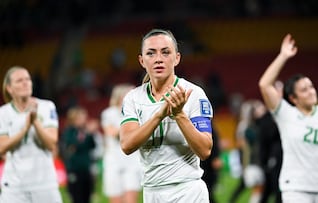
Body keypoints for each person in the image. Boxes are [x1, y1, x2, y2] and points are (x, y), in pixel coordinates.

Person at [119, 28, 213, 203]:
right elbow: (127, 145)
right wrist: (158, 115)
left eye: (165, 52)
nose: (158, 59)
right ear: (141, 60)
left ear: (177, 58)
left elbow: (205, 150)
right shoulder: (133, 98)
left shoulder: (194, 93)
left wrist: (179, 115)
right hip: (152, 192)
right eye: (151, 53)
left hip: (187, 190)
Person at [258, 34, 318, 203]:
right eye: (304, 90)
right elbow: (265, 84)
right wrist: (283, 56)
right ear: (294, 98)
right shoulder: (285, 113)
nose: (311, 91)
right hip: (295, 188)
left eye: (311, 87)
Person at [0, 66, 62, 203]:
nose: (25, 83)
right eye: (19, 80)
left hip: (45, 183)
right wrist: (25, 129)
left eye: (28, 79)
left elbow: (51, 142)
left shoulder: (47, 106)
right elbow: (1, 147)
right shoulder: (3, 113)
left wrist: (35, 122)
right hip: (14, 187)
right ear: (9, 88)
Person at [101, 84, 142, 203]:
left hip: (132, 160)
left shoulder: (137, 112)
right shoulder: (109, 113)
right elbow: (110, 132)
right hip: (113, 160)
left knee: (131, 198)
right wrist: (131, 128)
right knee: (115, 198)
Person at [60, 106, 96, 203]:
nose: (84, 120)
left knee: (87, 197)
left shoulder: (84, 131)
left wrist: (90, 134)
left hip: (86, 168)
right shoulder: (69, 132)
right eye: (81, 118)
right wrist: (87, 134)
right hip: (74, 169)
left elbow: (92, 145)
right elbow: (73, 146)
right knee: (77, 197)